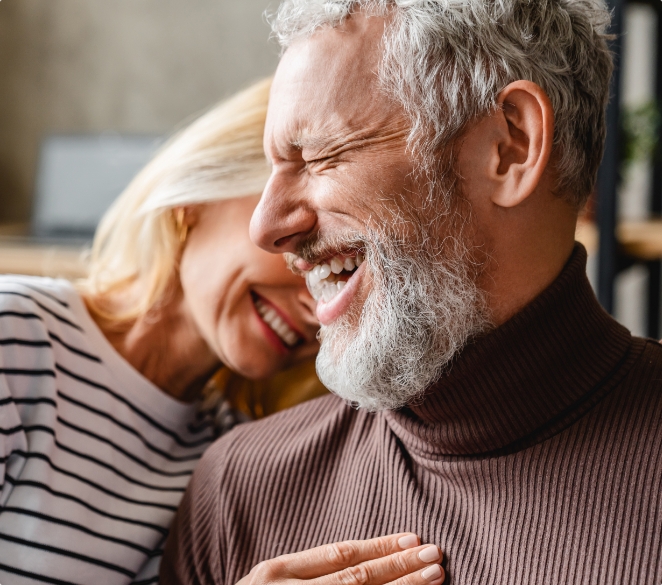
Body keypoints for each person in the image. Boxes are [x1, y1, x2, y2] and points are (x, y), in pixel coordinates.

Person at [162, 1, 662, 584]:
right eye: (275, 167)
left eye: (320, 156)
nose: (267, 226)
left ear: (510, 148)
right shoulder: (238, 491)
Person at [0, 78, 326, 585]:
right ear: (198, 196)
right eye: (299, 241)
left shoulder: (228, 457)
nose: (317, 304)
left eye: (342, 270)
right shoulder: (14, 338)